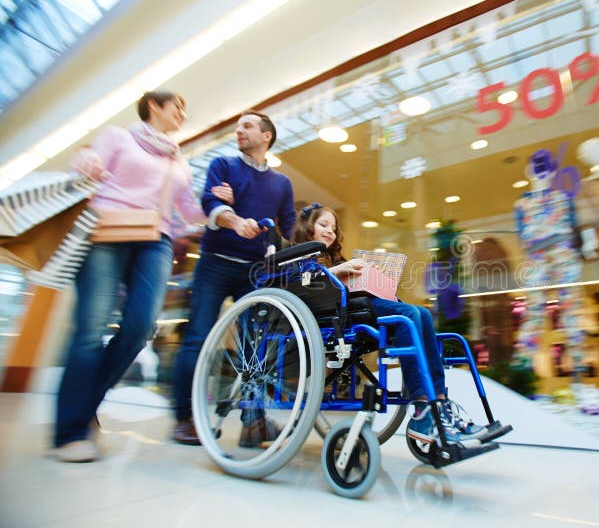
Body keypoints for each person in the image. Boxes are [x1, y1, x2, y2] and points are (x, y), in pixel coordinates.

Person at [55, 90, 231, 463]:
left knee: (140, 327)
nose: (183, 113)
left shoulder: (177, 158)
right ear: (154, 106)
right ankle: (70, 431)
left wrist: (217, 202)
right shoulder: (118, 137)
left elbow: (189, 211)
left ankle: (84, 404)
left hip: (156, 240)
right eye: (177, 106)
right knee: (90, 329)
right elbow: (88, 167)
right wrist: (86, 159)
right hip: (107, 231)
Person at [293, 203, 486, 446]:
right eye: (324, 225)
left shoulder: (334, 257)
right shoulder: (300, 258)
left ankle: (439, 402)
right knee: (407, 316)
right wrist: (340, 270)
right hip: (341, 315)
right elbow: (304, 286)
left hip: (359, 305)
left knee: (422, 315)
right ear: (307, 227)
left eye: (333, 227)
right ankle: (422, 409)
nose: (330, 231)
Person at [172, 111, 296, 445]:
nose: (239, 131)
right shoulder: (223, 166)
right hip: (215, 263)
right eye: (237, 126)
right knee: (197, 337)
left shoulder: (282, 183)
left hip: (254, 272)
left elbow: (289, 225)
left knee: (254, 347)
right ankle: (185, 419)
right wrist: (235, 220)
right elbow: (211, 203)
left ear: (266, 136)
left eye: (247, 126)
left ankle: (253, 423)